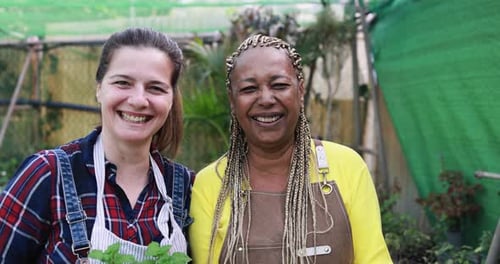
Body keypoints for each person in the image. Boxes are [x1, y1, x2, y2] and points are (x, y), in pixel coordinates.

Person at [189, 34, 392, 264]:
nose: (266, 99)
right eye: (249, 89)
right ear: (232, 100)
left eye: (280, 85)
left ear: (300, 90)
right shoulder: (209, 186)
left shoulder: (347, 166)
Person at [0, 27, 194, 263]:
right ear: (99, 88)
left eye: (155, 88)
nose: (138, 100)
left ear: (171, 99)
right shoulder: (49, 174)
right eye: (123, 83)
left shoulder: (185, 188)